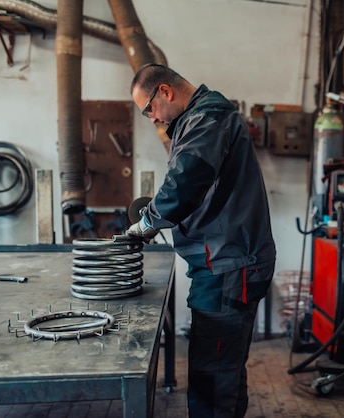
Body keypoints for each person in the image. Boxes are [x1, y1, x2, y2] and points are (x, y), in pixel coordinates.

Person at [126, 63, 276, 418]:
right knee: (225, 372)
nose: (151, 119)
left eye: (149, 109)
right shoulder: (201, 119)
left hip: (228, 265)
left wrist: (146, 223)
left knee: (212, 382)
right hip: (227, 261)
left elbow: (185, 182)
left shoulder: (207, 118)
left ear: (165, 91)